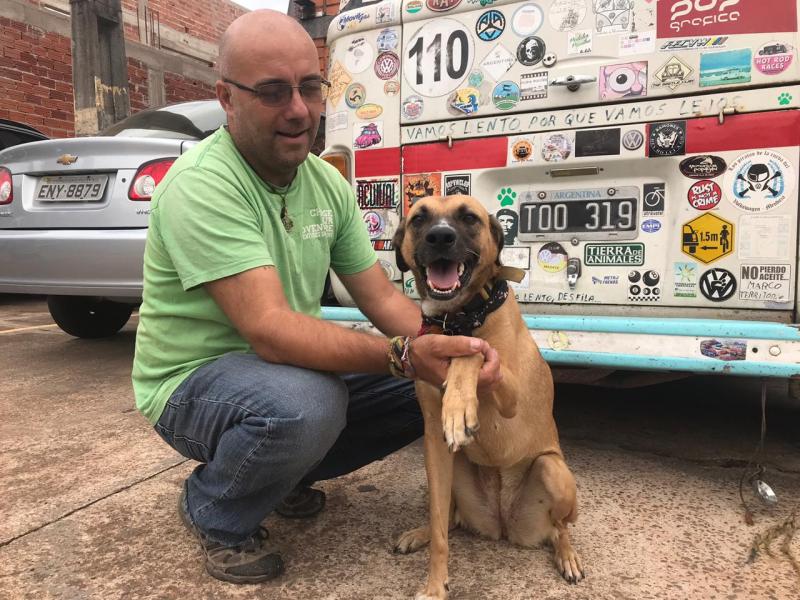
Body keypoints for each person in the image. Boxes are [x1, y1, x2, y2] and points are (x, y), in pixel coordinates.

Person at [131, 9, 500, 585]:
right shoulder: (202, 184)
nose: (299, 109)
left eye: (310, 87)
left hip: (278, 371)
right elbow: (271, 329)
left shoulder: (325, 182)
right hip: (191, 382)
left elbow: (383, 301)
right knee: (306, 405)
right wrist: (404, 356)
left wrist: (454, 354)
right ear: (227, 98)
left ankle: (280, 476)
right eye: (274, 92)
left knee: (427, 388)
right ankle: (215, 505)